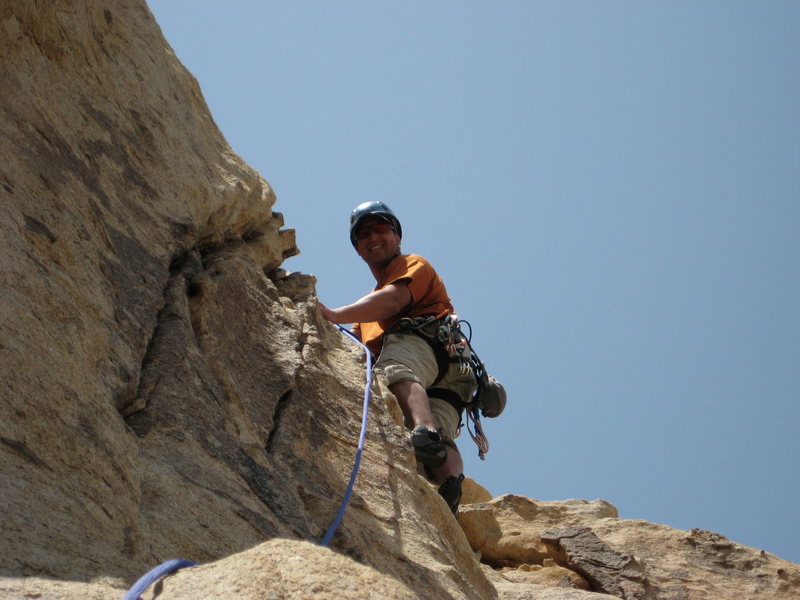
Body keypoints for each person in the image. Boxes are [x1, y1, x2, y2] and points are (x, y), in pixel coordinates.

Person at [319, 201, 477, 514]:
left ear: (397, 237)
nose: (373, 236)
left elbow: (393, 301)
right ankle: (450, 488)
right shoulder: (365, 317)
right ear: (359, 250)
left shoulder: (412, 264)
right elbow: (357, 350)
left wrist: (332, 314)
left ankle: (424, 432)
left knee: (396, 367)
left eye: (381, 228)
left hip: (426, 345)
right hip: (454, 372)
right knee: (444, 436)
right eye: (363, 234)